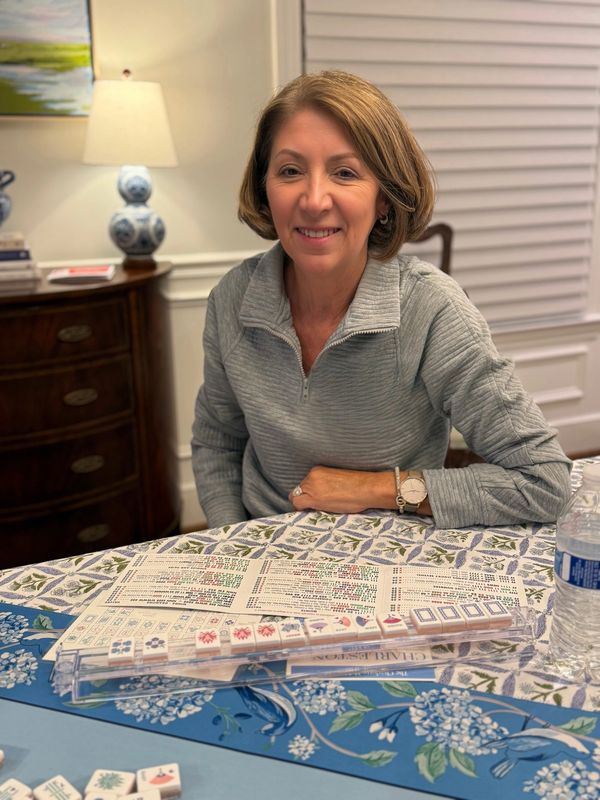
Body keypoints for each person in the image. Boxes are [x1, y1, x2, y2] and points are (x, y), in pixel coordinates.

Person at [191, 70, 571, 530]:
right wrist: (230, 541)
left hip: (392, 555)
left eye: (345, 172)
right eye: (290, 171)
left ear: (385, 199)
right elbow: (218, 442)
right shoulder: (232, 299)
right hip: (261, 546)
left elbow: (544, 479)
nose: (313, 200)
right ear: (265, 190)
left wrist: (376, 487)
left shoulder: (430, 308)